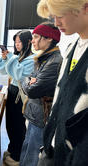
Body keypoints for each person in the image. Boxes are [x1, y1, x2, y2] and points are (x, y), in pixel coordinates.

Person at [36, 0, 88, 166]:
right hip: (53, 146)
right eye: (53, 17)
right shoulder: (72, 47)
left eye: (60, 15)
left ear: (85, 8)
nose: (56, 23)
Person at [19, 22, 62, 166]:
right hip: (34, 113)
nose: (32, 40)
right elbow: (27, 78)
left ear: (48, 38)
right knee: (26, 149)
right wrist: (29, 80)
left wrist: (28, 81)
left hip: (41, 116)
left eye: (36, 37)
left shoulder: (54, 61)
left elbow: (32, 90)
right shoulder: (42, 58)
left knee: (32, 155)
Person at [0, 30, 35, 166]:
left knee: (18, 126)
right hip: (12, 91)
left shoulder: (32, 59)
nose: (17, 44)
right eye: (15, 42)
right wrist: (5, 58)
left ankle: (18, 156)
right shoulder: (19, 57)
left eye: (19, 42)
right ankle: (13, 149)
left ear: (28, 42)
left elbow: (18, 74)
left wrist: (10, 57)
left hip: (20, 94)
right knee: (10, 124)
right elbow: (2, 70)